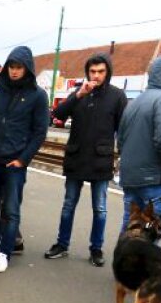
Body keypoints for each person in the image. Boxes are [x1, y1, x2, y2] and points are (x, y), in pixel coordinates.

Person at [46, 53, 127, 266]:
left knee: (100, 208)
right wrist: (78, 95)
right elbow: (58, 115)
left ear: (107, 72)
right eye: (92, 71)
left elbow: (123, 130)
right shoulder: (79, 93)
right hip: (76, 157)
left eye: (101, 71)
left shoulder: (117, 96)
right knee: (68, 205)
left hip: (101, 160)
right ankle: (62, 245)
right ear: (87, 72)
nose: (96, 75)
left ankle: (96, 249)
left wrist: (122, 158)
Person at [0, 46, 49, 274]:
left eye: (19, 67)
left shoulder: (37, 95)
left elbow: (39, 132)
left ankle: (5, 253)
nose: (14, 71)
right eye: (11, 67)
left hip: (14, 164)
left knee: (10, 211)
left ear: (27, 69)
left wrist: (23, 160)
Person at [116, 55, 161, 229]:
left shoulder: (134, 102)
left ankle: (123, 256)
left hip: (130, 177)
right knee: (155, 230)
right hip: (154, 178)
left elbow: (121, 140)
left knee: (130, 227)